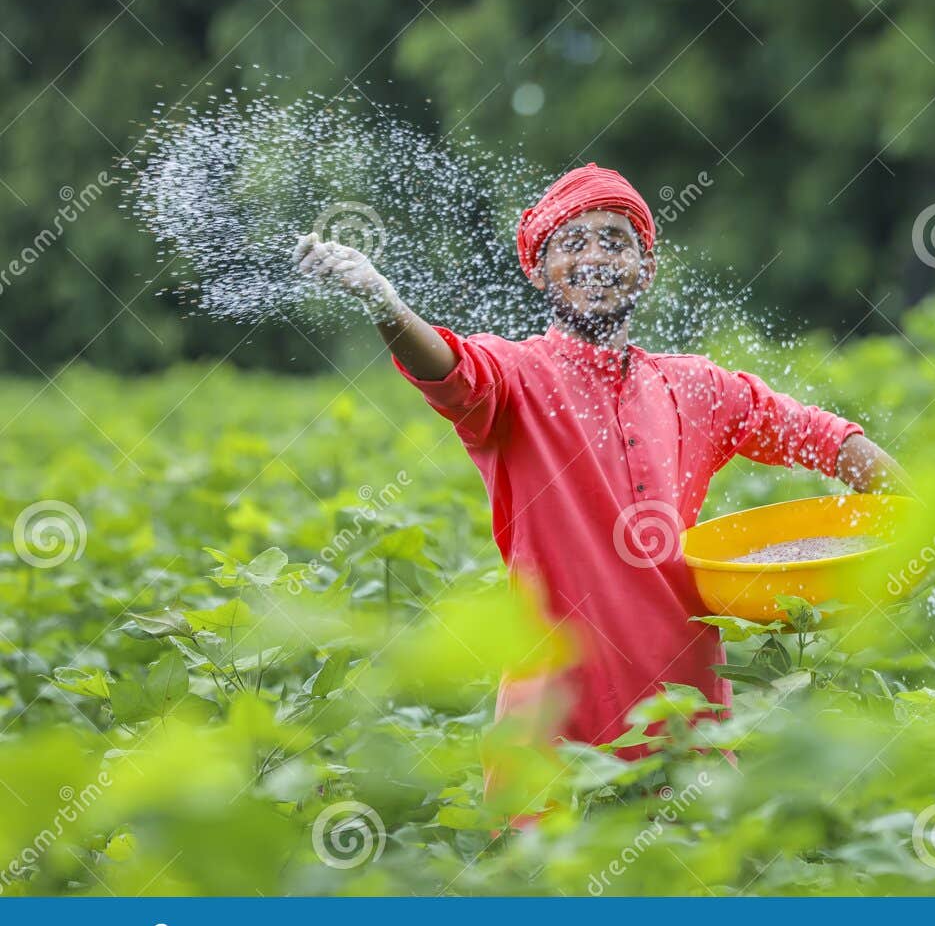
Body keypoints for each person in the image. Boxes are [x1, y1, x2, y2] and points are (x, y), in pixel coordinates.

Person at [292, 162, 902, 807]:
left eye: (615, 241)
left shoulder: (697, 387)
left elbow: (824, 438)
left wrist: (912, 512)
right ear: (538, 270)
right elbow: (447, 368)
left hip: (684, 710)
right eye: (572, 243)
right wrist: (386, 304)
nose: (595, 258)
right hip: (552, 724)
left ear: (646, 268)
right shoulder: (516, 378)